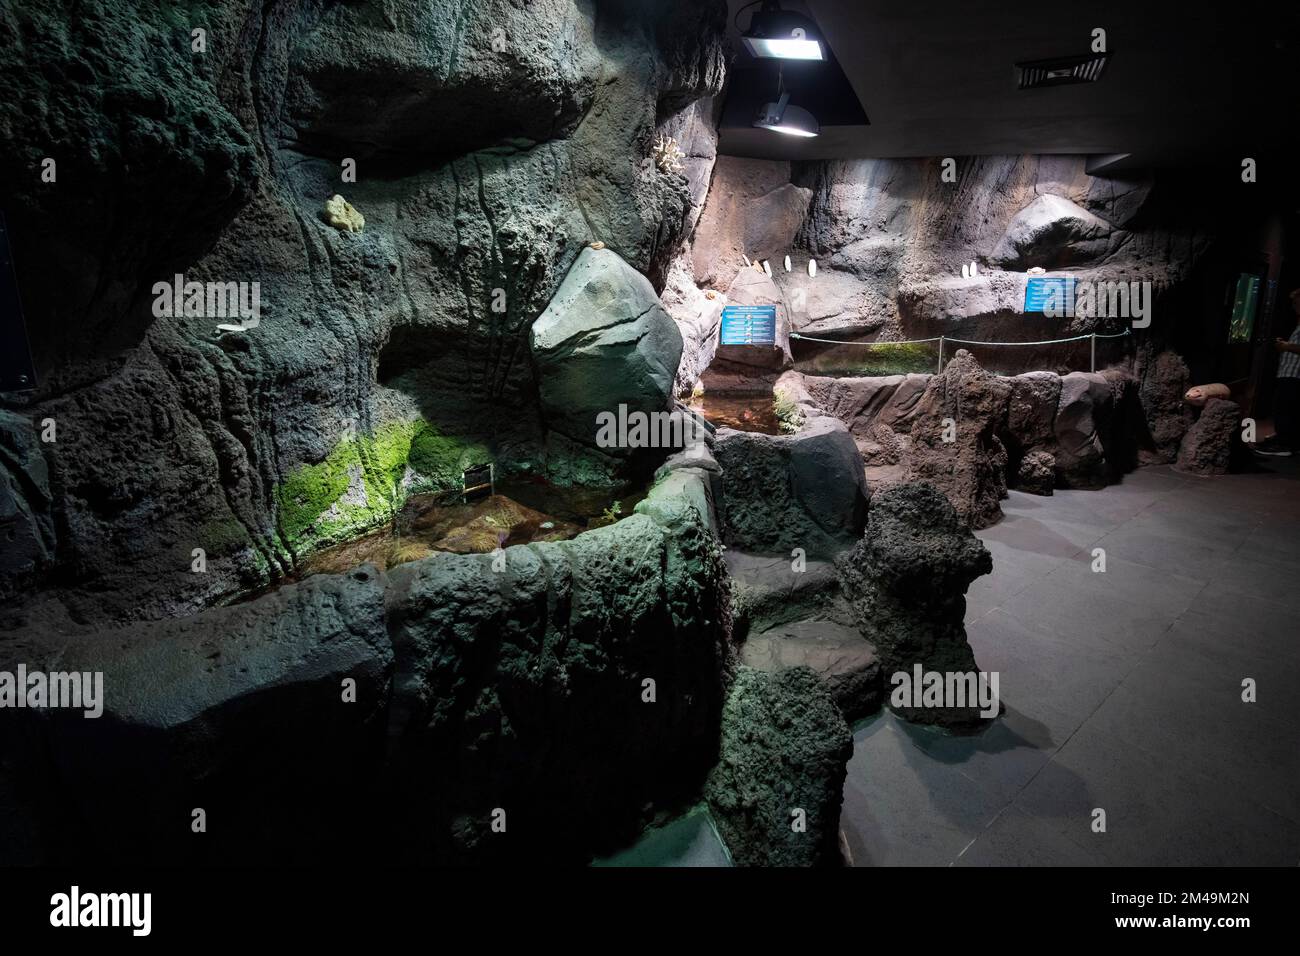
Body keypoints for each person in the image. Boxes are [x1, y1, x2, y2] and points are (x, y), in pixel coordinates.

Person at [1254, 287, 1300, 457]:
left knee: (1286, 410)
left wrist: (1286, 346)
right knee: (1284, 409)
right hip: (1289, 373)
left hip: (1294, 375)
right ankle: (1284, 439)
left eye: (1296, 302)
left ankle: (1285, 445)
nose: (1294, 306)